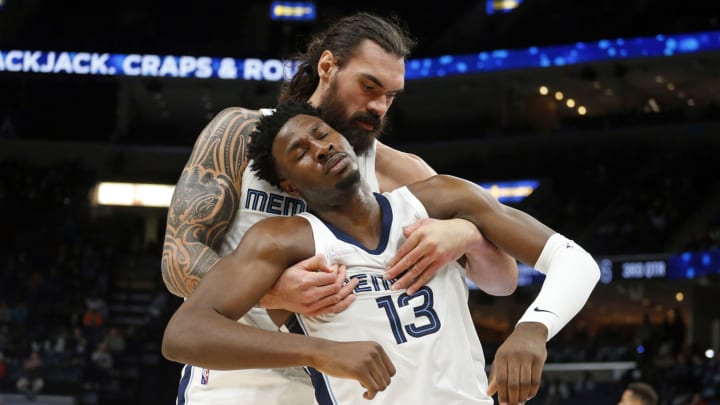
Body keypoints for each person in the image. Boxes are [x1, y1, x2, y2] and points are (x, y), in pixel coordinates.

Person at [161, 11, 519, 404]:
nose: (380, 107)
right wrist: (273, 293)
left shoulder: (403, 173)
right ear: (328, 66)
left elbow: (502, 280)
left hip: (350, 383)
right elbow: (178, 258)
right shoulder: (239, 134)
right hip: (241, 377)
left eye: (391, 96)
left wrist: (466, 234)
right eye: (369, 87)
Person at [162, 101, 601, 404]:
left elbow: (574, 261)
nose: (321, 148)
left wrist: (533, 329)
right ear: (291, 186)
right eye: (301, 152)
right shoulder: (286, 241)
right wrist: (316, 351)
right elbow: (184, 334)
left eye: (322, 134)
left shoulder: (439, 199)